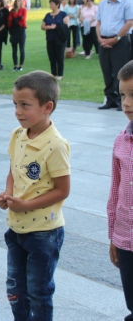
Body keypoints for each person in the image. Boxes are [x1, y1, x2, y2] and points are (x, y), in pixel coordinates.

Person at [0, 71, 70, 321]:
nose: (18, 111)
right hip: (16, 229)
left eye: (25, 105)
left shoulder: (56, 145)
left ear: (48, 107)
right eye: (15, 104)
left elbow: (62, 190)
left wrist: (25, 204)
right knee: (16, 289)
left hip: (43, 233)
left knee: (39, 291)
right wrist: (7, 195)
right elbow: (13, 171)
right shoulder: (18, 135)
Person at [108, 60, 133, 321]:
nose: (126, 103)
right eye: (123, 95)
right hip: (126, 238)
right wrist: (114, 236)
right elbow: (115, 191)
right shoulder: (121, 140)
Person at [96, 0, 133, 110]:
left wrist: (116, 38)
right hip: (104, 40)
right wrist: (100, 39)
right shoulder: (102, 3)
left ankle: (120, 99)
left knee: (119, 71)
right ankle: (110, 98)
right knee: (106, 70)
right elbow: (98, 22)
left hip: (119, 41)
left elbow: (129, 22)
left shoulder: (127, 2)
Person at [41, 0, 69, 80]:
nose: (50, 5)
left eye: (52, 4)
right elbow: (42, 26)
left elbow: (66, 26)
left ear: (57, 5)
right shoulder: (47, 15)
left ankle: (60, 74)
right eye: (50, 4)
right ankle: (53, 73)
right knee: (52, 57)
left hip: (60, 39)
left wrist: (56, 27)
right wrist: (49, 27)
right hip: (50, 39)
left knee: (59, 57)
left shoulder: (63, 14)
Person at [7, 0, 27, 71]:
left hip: (21, 31)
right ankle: (15, 65)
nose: (17, 2)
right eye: (16, 1)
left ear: (21, 2)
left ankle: (20, 65)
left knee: (21, 49)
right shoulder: (12, 11)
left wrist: (16, 20)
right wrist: (18, 19)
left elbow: (23, 20)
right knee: (14, 49)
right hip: (13, 31)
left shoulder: (24, 10)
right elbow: (9, 21)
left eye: (19, 1)